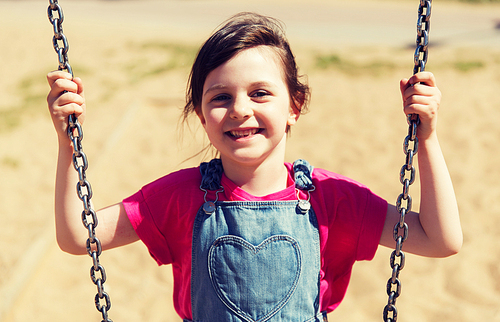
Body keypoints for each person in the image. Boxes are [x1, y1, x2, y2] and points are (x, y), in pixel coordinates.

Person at [46, 12, 462, 322]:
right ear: (201, 114)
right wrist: (67, 141)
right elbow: (79, 237)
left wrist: (425, 139)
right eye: (220, 97)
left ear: (294, 107)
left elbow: (439, 239)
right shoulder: (180, 197)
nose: (240, 110)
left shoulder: (332, 200)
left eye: (260, 93)